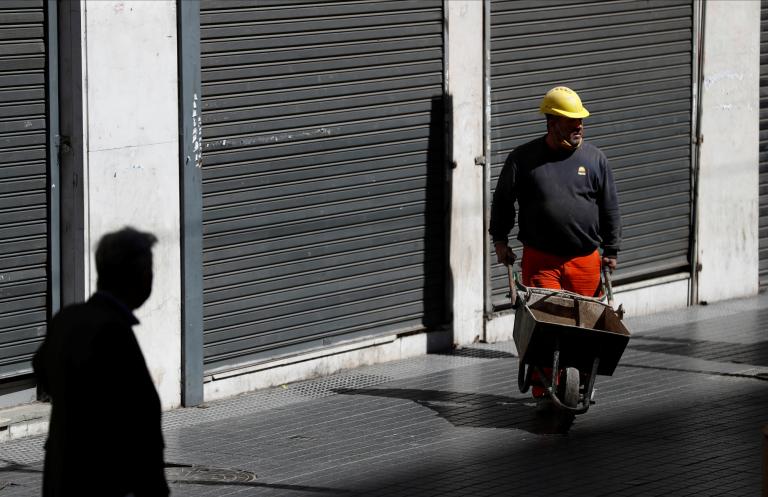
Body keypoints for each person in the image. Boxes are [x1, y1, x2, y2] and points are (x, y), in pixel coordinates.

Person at [489, 86, 621, 398]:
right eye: (571, 120)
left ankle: (581, 381)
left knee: (585, 329)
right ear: (552, 123)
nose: (579, 126)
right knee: (545, 328)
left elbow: (609, 206)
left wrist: (611, 249)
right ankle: (542, 387)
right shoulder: (524, 159)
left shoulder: (595, 160)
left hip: (584, 262)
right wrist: (499, 240)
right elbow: (503, 201)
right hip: (541, 260)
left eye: (581, 120)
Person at [33, 227, 169, 497]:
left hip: (61, 479)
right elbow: (141, 429)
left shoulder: (67, 319)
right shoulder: (113, 333)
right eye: (149, 270)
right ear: (138, 277)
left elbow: (42, 369)